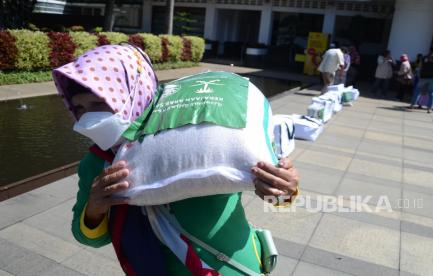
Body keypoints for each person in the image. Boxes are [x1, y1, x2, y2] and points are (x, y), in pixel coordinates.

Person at [53, 44, 299, 275]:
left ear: (133, 93)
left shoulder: (198, 134)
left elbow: (277, 196)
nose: (89, 118)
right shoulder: (96, 163)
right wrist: (95, 208)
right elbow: (88, 237)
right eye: (80, 108)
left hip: (229, 267)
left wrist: (284, 189)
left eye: (98, 103)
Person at [408, 45, 433, 113]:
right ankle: (429, 109)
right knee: (431, 93)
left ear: (429, 50)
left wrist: (419, 76)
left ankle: (412, 105)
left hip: (423, 77)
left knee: (417, 91)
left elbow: (419, 68)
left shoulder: (424, 57)